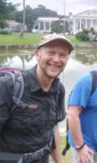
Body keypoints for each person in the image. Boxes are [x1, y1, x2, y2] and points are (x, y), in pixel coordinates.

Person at [0, 34, 72, 163]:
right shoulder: (9, 87)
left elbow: (53, 128)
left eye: (62, 55)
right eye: (51, 53)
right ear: (37, 54)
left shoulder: (58, 89)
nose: (56, 59)